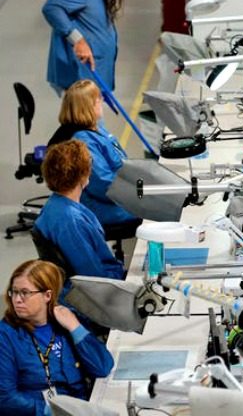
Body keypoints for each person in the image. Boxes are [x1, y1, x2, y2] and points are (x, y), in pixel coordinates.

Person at [0, 260, 114, 415]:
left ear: (47, 295)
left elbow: (102, 367)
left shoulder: (66, 319)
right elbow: (5, 398)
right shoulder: (5, 336)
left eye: (25, 293)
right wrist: (51, 411)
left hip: (81, 407)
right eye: (14, 292)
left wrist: (75, 328)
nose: (17, 300)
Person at [42, 0, 140, 94]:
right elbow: (52, 8)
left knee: (91, 115)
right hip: (81, 74)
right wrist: (78, 40)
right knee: (85, 116)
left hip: (92, 75)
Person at [48, 79, 140, 227]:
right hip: (105, 208)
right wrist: (138, 194)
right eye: (98, 99)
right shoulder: (84, 141)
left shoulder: (96, 129)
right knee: (161, 210)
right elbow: (103, 185)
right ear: (88, 106)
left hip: (119, 196)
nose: (102, 100)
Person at [34, 140, 125, 283]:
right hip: (96, 291)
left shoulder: (55, 204)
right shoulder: (71, 221)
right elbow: (94, 279)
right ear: (82, 174)